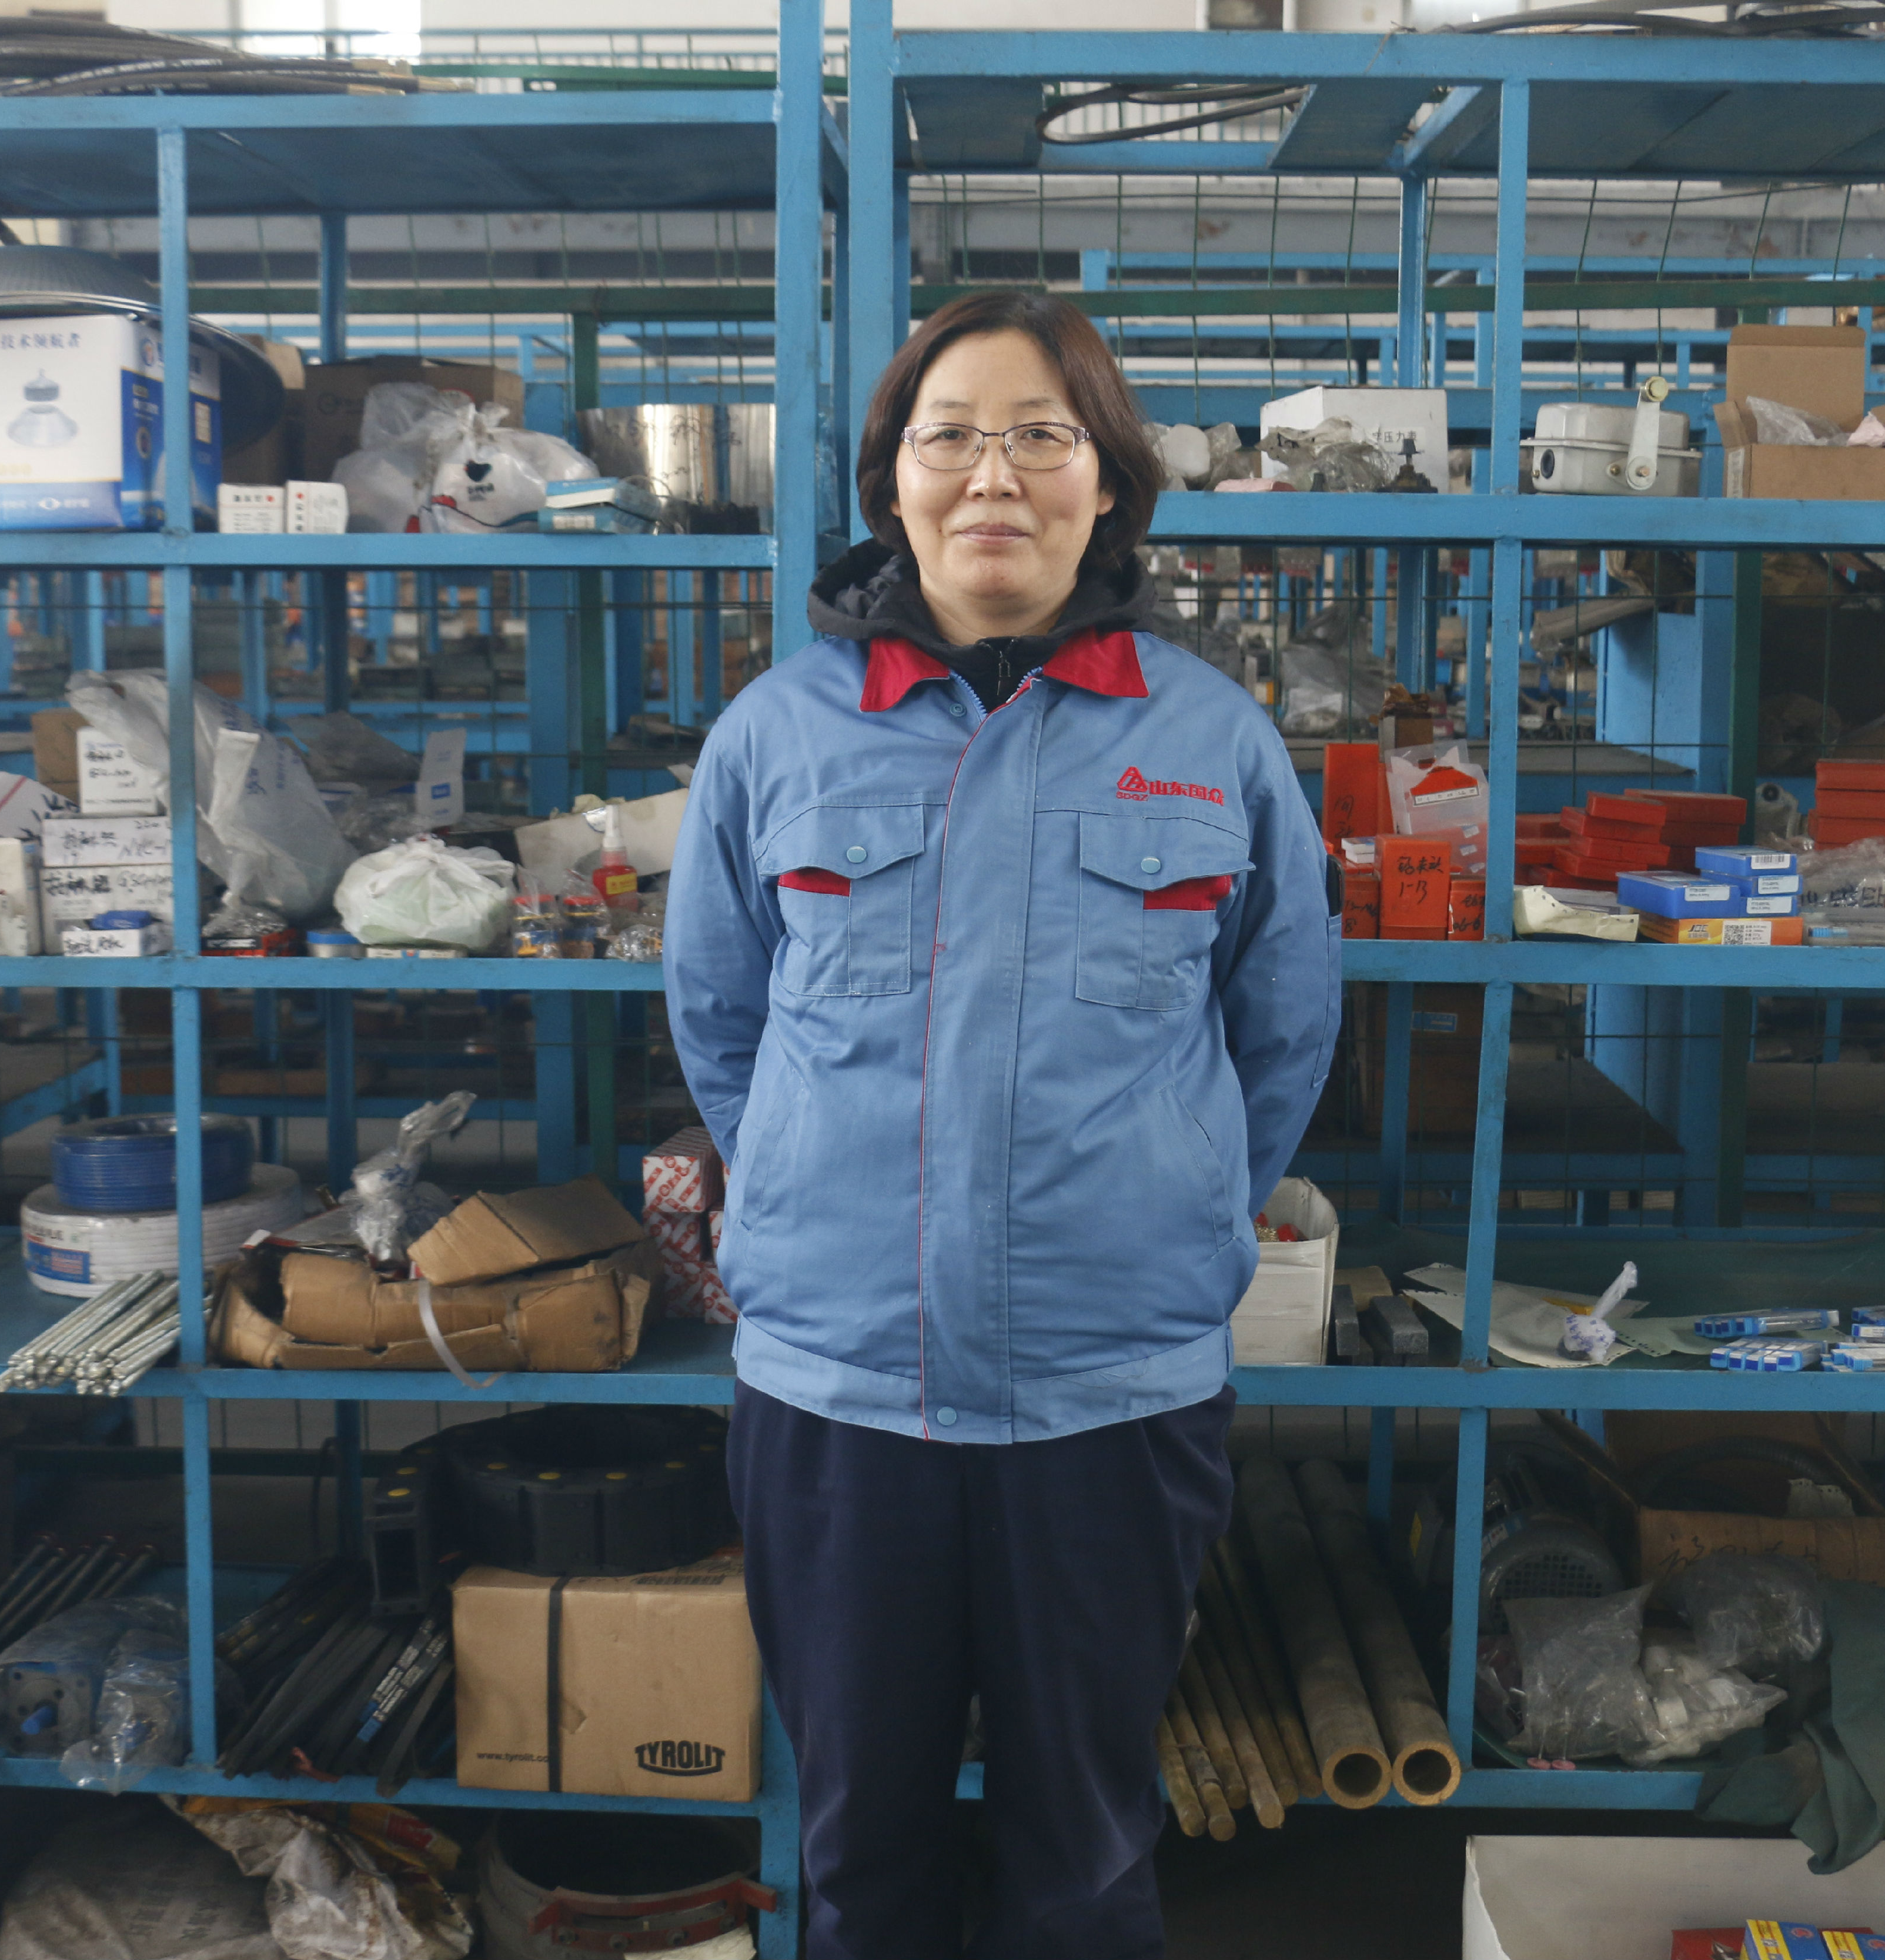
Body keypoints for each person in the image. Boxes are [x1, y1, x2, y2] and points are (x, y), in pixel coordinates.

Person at [664, 289, 1341, 1960]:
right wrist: (814, 1189)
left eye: (1042, 435)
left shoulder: (1211, 740)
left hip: (1108, 1391)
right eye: (949, 436)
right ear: (892, 481)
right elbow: (722, 1023)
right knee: (861, 1850)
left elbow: (1280, 1029)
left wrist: (1173, 1200)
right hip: (841, 1388)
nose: (993, 475)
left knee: (1087, 1851)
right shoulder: (778, 734)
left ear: (1107, 483)